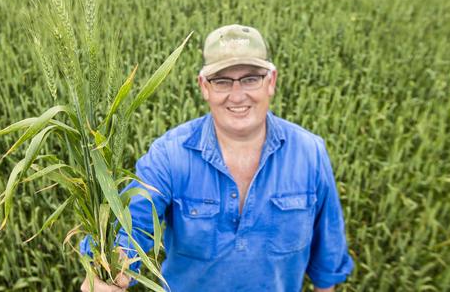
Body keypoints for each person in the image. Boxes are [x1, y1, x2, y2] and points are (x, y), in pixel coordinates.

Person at [80, 24, 354, 292]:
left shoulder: (309, 153)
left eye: (250, 79)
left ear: (271, 82)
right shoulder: (170, 155)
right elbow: (129, 227)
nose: (237, 95)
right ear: (204, 87)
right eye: (222, 81)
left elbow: (326, 260)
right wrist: (110, 269)